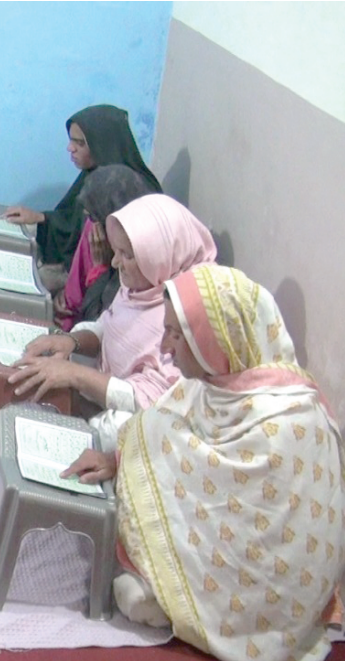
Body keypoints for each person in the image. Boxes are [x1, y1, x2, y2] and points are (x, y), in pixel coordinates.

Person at [61, 264, 345, 661]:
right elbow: (165, 434)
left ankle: (189, 605)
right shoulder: (212, 384)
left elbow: (262, 543)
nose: (165, 347)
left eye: (177, 334)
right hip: (215, 555)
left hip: (261, 601)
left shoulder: (288, 425)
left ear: (218, 339)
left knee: (129, 594)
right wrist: (118, 458)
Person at [9, 194, 216, 451]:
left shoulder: (186, 310)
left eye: (126, 255)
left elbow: (151, 399)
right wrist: (69, 342)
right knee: (56, 359)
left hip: (152, 412)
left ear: (160, 256)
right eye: (116, 252)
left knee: (118, 432)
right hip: (111, 381)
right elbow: (109, 324)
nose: (115, 262)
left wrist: (77, 376)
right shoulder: (144, 284)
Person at [2, 105, 162, 295]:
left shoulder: (127, 192)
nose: (70, 148)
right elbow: (73, 223)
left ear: (102, 145)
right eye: (71, 141)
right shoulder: (93, 176)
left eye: (80, 143)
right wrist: (40, 218)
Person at [55, 164, 156, 330]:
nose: (91, 226)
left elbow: (96, 325)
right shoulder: (102, 235)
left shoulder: (138, 267)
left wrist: (100, 269)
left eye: (94, 218)